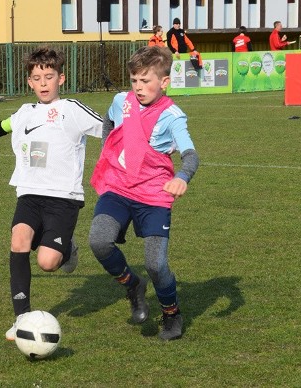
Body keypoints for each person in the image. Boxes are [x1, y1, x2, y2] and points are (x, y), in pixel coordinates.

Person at [0, 46, 103, 340]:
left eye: (49, 77)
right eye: (37, 78)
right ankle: (21, 317)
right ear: (29, 82)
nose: (43, 83)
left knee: (47, 263)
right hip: (29, 194)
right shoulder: (25, 113)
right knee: (19, 239)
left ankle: (67, 247)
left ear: (61, 78)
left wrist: (153, 140)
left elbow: (112, 130)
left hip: (63, 197)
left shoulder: (72, 110)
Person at [88, 46, 200, 341]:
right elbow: (108, 120)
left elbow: (191, 155)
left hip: (153, 193)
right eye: (134, 80)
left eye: (146, 81)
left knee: (155, 264)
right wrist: (107, 152)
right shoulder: (120, 101)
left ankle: (172, 314)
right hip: (119, 187)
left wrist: (182, 176)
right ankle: (132, 285)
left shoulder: (173, 116)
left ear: (164, 82)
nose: (138, 88)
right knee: (99, 242)